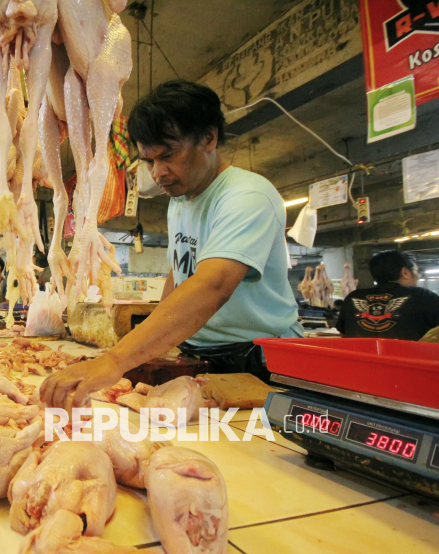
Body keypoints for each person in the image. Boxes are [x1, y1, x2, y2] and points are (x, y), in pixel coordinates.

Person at [40, 80, 302, 409]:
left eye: (168, 156)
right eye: (149, 161)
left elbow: (213, 284)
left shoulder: (247, 196)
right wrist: (159, 349)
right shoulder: (180, 200)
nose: (159, 172)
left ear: (209, 137)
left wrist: (115, 360)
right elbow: (179, 275)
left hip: (256, 362)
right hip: (199, 355)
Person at [336, 250, 439, 340]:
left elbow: (343, 333)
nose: (418, 276)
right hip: (405, 361)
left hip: (359, 360)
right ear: (405, 273)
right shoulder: (423, 296)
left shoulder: (353, 297)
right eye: (417, 271)